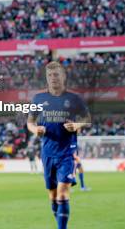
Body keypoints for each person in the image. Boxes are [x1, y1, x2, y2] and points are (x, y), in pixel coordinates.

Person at [27, 61, 91, 229]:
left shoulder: (74, 98)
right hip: (47, 152)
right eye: (50, 75)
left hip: (67, 152)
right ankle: (60, 223)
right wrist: (35, 130)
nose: (53, 78)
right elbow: (30, 122)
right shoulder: (39, 98)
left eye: (56, 75)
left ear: (63, 76)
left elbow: (86, 119)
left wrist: (77, 125)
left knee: (63, 192)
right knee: (53, 195)